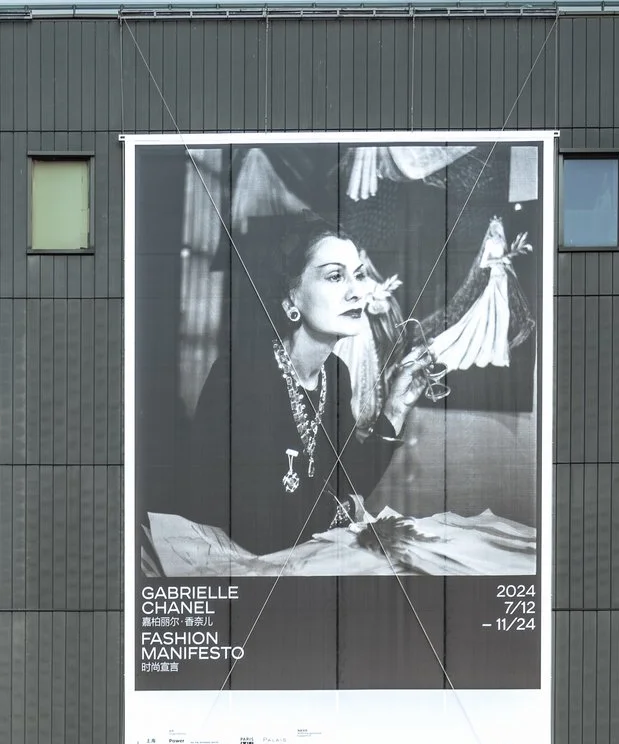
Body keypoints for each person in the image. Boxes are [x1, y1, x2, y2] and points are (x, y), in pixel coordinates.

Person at [184, 223, 441, 556]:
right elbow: (261, 527)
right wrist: (342, 506)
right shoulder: (240, 375)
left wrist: (395, 408)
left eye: (359, 275)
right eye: (335, 276)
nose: (357, 292)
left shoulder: (335, 373)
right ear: (291, 297)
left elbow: (349, 481)